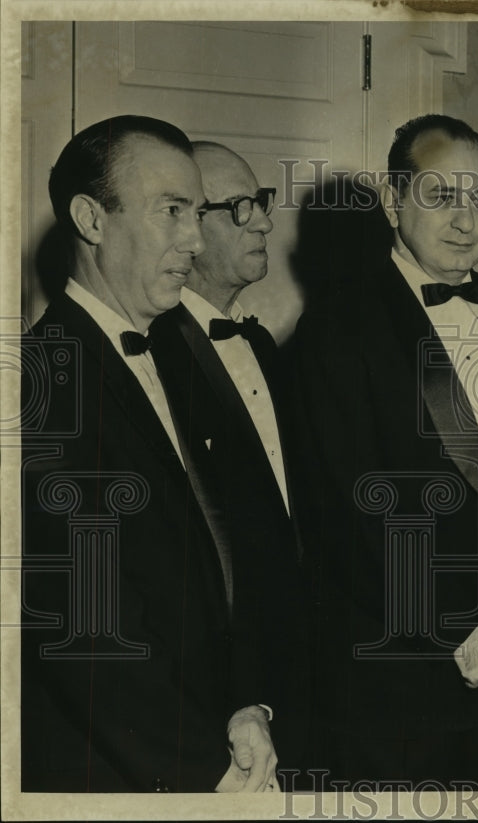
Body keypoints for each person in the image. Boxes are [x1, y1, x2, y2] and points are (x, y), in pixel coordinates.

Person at [290, 114, 478, 785]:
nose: (465, 222)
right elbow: (348, 509)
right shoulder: (336, 324)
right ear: (393, 201)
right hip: (402, 682)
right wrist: (458, 629)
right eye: (442, 198)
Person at [21, 116, 277, 792]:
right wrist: (203, 768)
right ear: (91, 218)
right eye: (171, 212)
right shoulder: (40, 381)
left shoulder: (179, 356)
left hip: (218, 735)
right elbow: (88, 634)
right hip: (118, 773)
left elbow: (226, 556)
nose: (194, 240)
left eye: (197, 213)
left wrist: (248, 707)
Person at [148, 141, 310, 773]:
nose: (264, 220)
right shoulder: (153, 354)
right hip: (219, 690)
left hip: (294, 668)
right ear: (187, 225)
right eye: (240, 208)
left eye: (261, 202)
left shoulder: (263, 344)